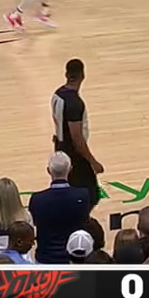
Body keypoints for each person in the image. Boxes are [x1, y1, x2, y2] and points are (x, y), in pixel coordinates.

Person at [50, 58, 103, 208]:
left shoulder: (57, 94)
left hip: (60, 147)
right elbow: (77, 138)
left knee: (67, 192)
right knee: (90, 195)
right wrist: (93, 162)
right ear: (82, 75)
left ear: (66, 74)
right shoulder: (74, 103)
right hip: (74, 155)